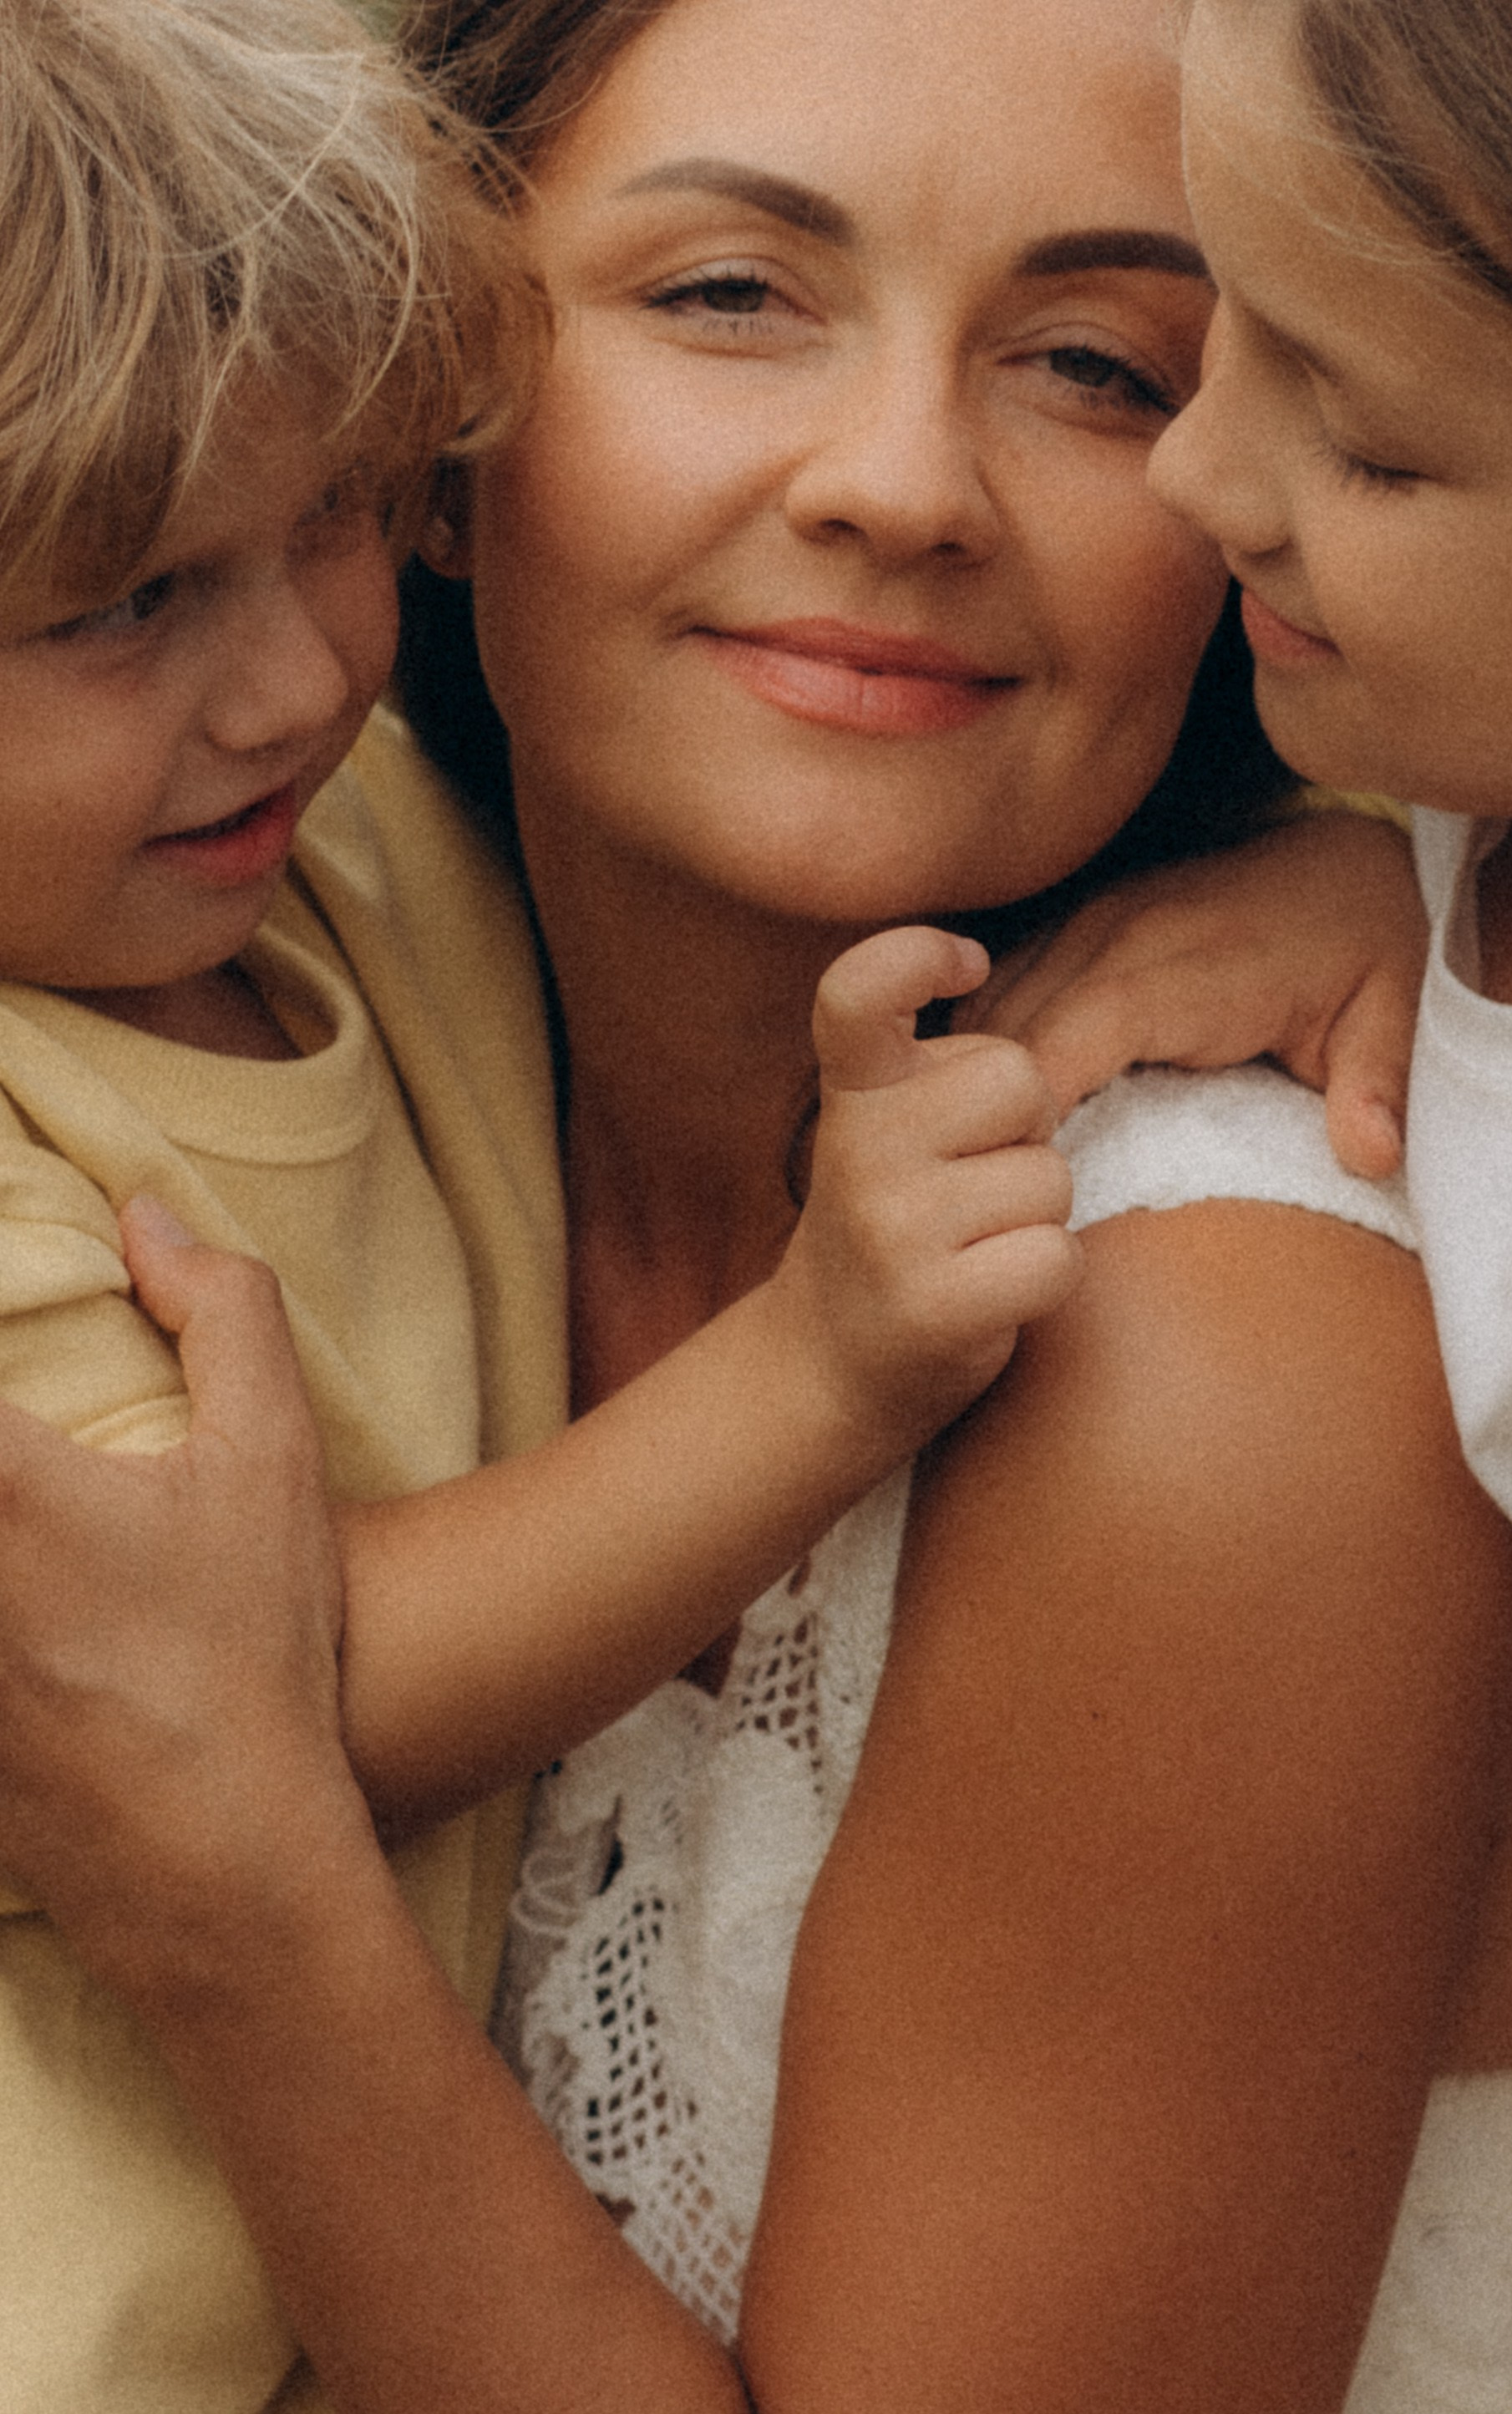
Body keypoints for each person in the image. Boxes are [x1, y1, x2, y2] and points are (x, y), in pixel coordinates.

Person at [1, 0, 1512, 2408]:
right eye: (731, 294)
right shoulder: (287, 938)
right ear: (416, 404)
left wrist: (249, 1911)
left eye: (1096, 359)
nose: (900, 484)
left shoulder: (1219, 1361)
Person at [0, 3, 1087, 2404]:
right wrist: (814, 1365)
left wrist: (1374, 899)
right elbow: (198, 1697)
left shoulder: (316, 849)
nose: (291, 679)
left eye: (327, 523)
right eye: (115, 605)